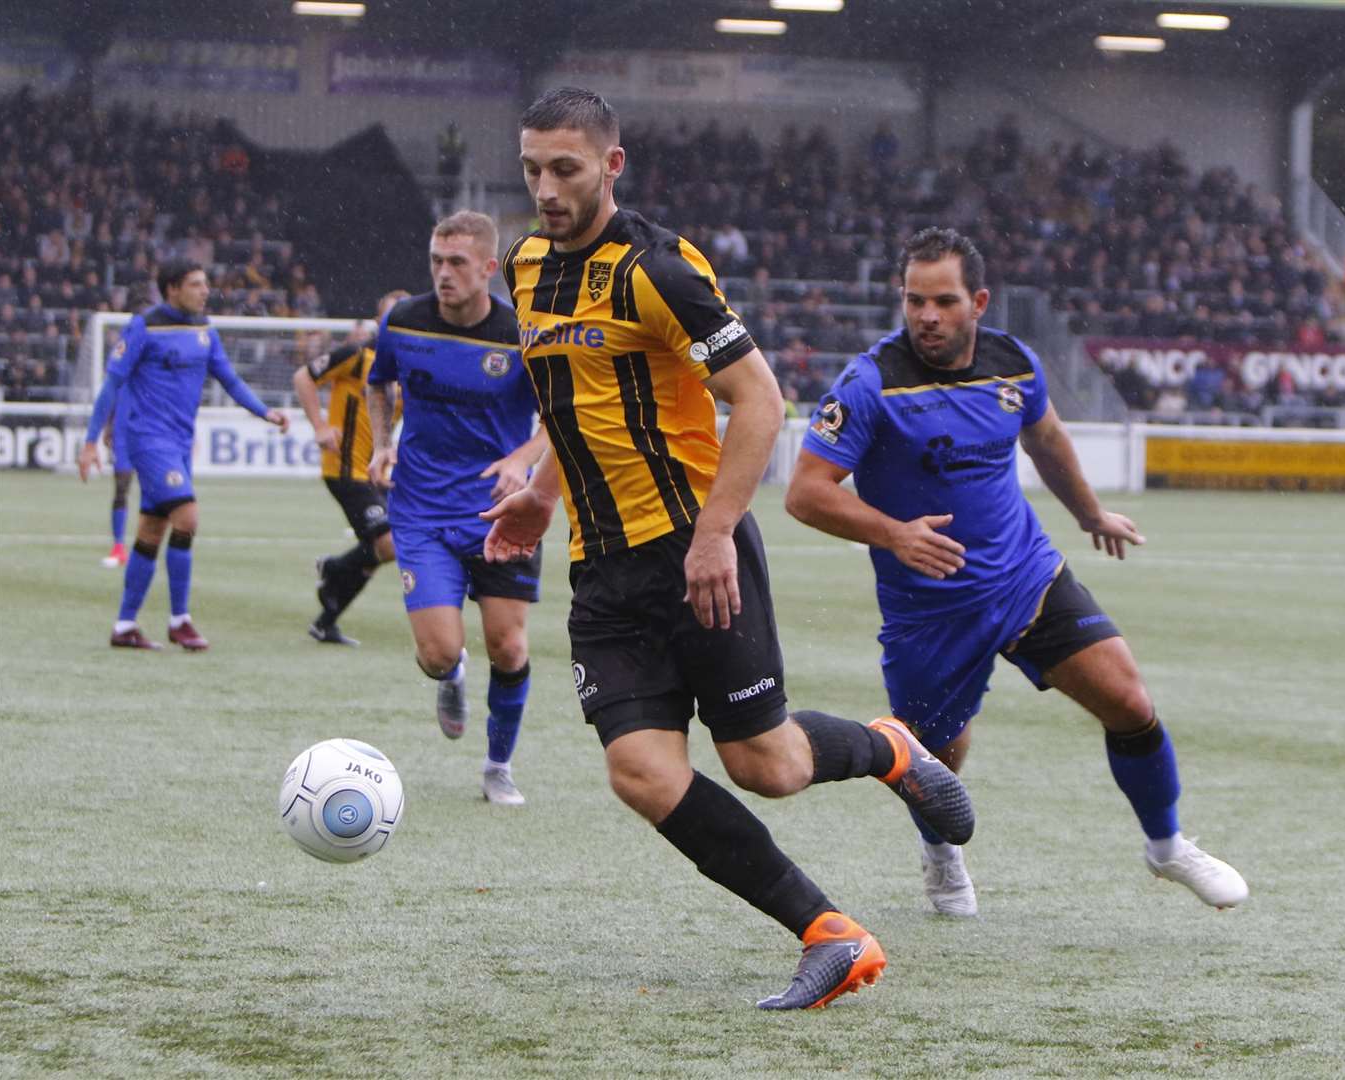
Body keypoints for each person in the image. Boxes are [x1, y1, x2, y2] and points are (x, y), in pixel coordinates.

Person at [483, 87, 974, 1011]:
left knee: (769, 766)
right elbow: (567, 397)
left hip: (692, 550)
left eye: (566, 169)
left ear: (611, 166)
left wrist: (713, 536)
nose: (546, 189)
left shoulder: (662, 270)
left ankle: (888, 749)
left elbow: (760, 398)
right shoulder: (523, 267)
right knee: (640, 771)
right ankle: (829, 932)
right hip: (602, 573)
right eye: (532, 169)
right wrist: (543, 497)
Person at [785, 227, 1249, 918]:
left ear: (978, 301)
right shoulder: (870, 381)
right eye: (914, 301)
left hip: (1024, 580)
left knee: (1129, 701)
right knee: (936, 758)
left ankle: (1167, 845)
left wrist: (1090, 514)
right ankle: (942, 853)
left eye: (943, 301)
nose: (927, 317)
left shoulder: (1014, 364)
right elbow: (805, 491)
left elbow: (1048, 438)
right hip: (930, 611)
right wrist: (893, 534)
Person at [366, 212, 548, 807]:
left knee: (510, 647)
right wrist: (381, 444)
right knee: (439, 651)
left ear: (489, 269)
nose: (444, 274)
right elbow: (378, 383)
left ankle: (498, 767)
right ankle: (451, 676)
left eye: (457, 263)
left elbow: (558, 416)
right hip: (419, 508)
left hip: (500, 511)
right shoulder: (405, 321)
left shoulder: (521, 333)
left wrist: (522, 458)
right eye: (436, 262)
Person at [77, 260, 289, 650]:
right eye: (196, 284)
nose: (205, 291)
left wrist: (265, 411)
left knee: (152, 530)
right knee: (187, 517)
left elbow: (230, 379)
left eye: (206, 284)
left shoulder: (205, 330)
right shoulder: (145, 326)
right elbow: (112, 383)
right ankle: (180, 620)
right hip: (147, 439)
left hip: (179, 443)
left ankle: (124, 626)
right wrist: (91, 440)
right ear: (172, 289)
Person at [292, 289, 409, 646]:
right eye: (390, 319)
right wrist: (320, 426)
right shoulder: (358, 356)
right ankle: (334, 568)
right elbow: (303, 377)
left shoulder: (411, 367)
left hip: (378, 472)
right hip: (345, 468)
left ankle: (326, 621)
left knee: (375, 552)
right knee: (387, 543)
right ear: (378, 322)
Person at [99, 401, 134, 569]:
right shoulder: (120, 375)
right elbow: (112, 391)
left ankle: (151, 545)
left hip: (151, 430)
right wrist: (108, 424)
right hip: (122, 434)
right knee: (121, 488)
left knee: (156, 491)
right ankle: (118, 546)